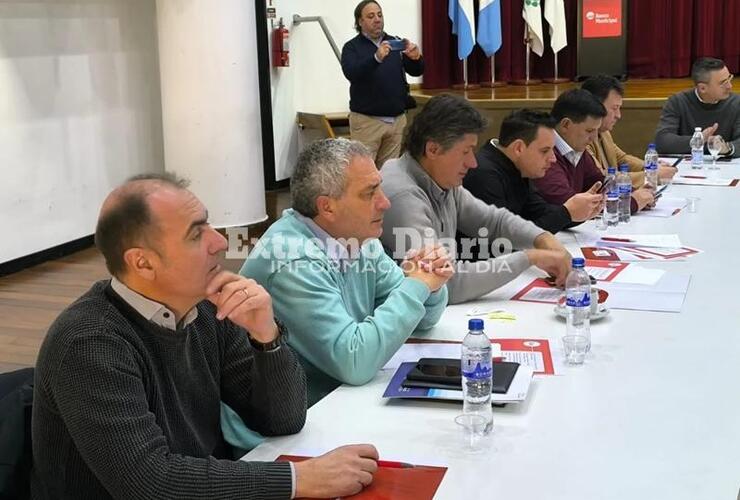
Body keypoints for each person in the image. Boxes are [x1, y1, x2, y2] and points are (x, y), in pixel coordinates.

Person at [31, 174, 379, 499]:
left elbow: (282, 419)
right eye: (196, 234)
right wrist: (297, 480)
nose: (220, 241)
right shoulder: (89, 343)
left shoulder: (207, 310)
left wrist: (266, 336)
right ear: (143, 264)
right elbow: (149, 482)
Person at [239, 138, 451, 406]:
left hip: (339, 403)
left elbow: (423, 320)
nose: (385, 203)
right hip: (287, 428)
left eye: (380, 189)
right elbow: (355, 362)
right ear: (327, 206)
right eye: (369, 193)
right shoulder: (293, 261)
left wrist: (429, 282)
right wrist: (417, 285)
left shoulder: (356, 238)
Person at [380, 94, 572, 305]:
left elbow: (493, 221)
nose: (473, 163)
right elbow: (442, 283)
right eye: (466, 152)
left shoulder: (440, 178)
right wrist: (529, 258)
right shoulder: (403, 196)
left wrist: (543, 239)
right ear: (433, 149)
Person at [465, 109, 603, 234]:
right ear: (518, 148)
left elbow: (540, 213)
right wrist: (566, 213)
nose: (553, 159)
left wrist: (581, 211)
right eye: (545, 151)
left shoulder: (516, 166)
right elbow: (505, 241)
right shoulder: (483, 175)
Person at [534, 89, 654, 212]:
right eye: (589, 131)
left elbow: (601, 183)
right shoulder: (545, 154)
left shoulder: (576, 149)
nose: (594, 138)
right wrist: (632, 202)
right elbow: (568, 204)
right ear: (565, 125)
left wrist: (638, 194)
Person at [341, 0, 424, 168]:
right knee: (364, 172)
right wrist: (376, 58)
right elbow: (352, 73)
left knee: (389, 173)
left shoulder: (394, 43)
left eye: (379, 15)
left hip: (396, 121)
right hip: (367, 122)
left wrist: (416, 58)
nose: (377, 19)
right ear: (360, 22)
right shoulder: (352, 48)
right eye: (370, 16)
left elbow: (416, 71)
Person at [582, 74, 677, 186]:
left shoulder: (604, 131)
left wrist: (649, 166)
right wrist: (651, 176)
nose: (618, 115)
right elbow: (601, 177)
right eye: (614, 108)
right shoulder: (582, 137)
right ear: (595, 106)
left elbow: (621, 159)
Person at [655, 57, 739, 158]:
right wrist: (699, 140)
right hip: (687, 167)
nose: (730, 86)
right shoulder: (678, 102)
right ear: (702, 88)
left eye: (730, 78)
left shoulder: (736, 103)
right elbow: (662, 141)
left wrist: (727, 148)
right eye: (723, 83)